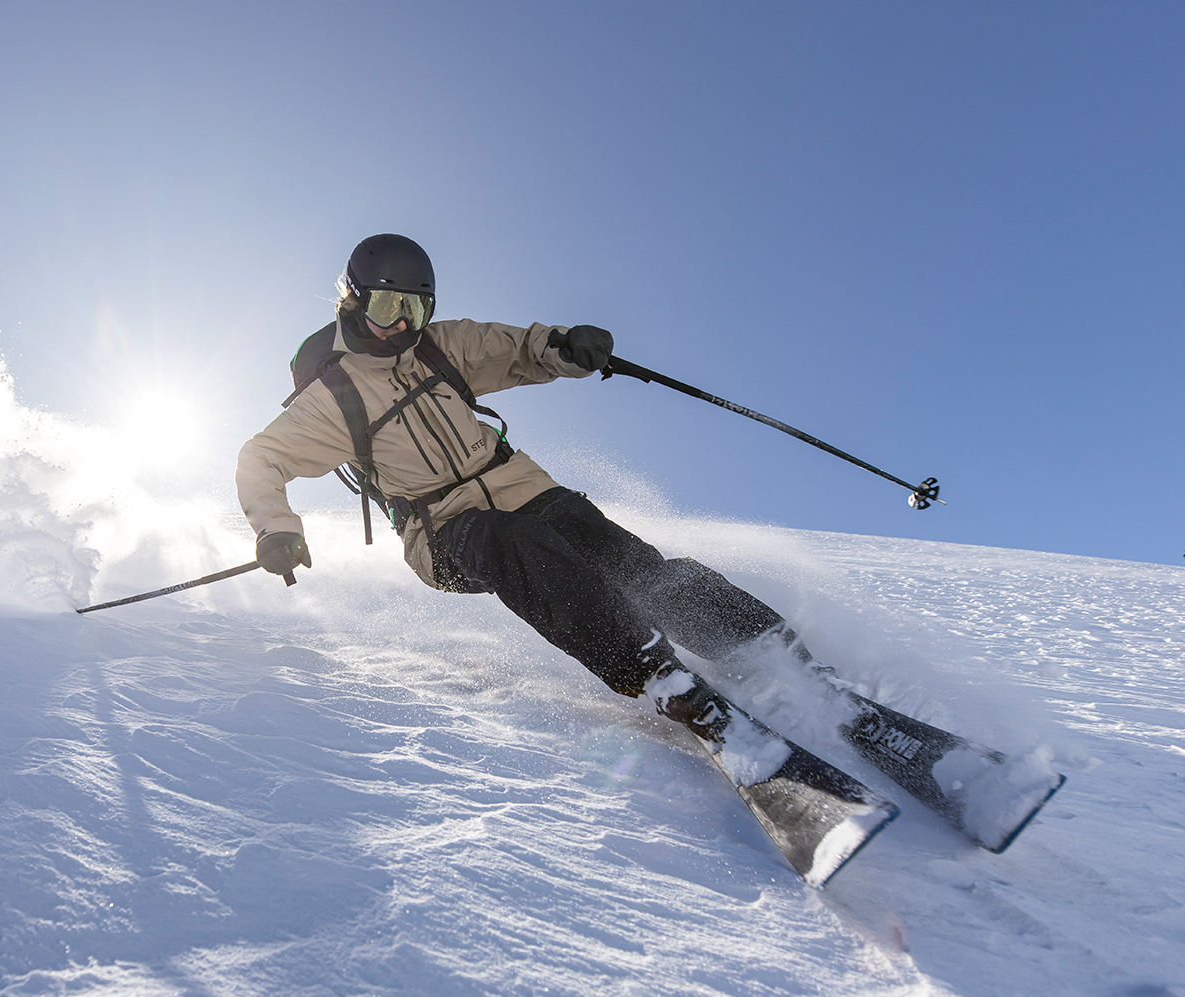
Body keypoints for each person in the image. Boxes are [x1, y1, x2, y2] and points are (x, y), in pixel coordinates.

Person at [234, 234, 800, 723]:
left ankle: (767, 648)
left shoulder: (442, 346)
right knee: (517, 545)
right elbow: (262, 458)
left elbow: (521, 349)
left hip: (522, 486)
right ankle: (657, 675)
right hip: (443, 528)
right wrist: (275, 528)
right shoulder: (333, 394)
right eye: (388, 306)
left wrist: (568, 346)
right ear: (354, 300)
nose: (404, 324)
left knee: (620, 557)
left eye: (416, 307)